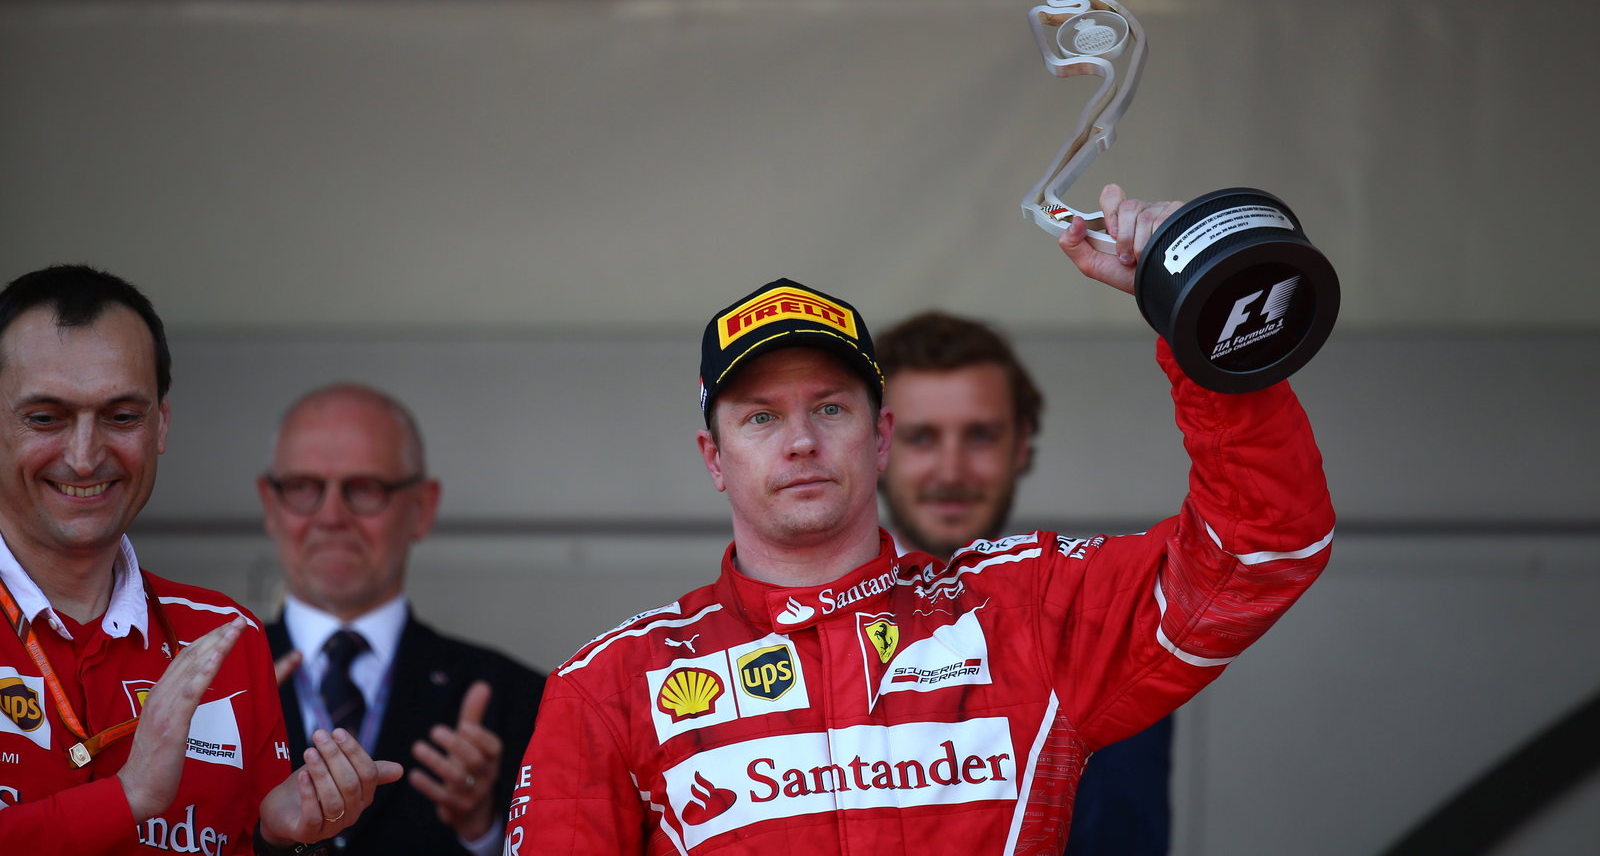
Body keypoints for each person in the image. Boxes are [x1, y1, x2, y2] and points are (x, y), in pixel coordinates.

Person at [506, 184, 1336, 854]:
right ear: (713, 457)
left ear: (881, 436)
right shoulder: (610, 688)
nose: (799, 441)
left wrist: (1204, 300)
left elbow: (1262, 547)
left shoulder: (1025, 613)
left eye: (831, 408)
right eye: (759, 417)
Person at [0, 264, 401, 855]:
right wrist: (127, 796)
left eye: (122, 417)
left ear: (161, 424)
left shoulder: (225, 637)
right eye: (45, 418)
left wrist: (282, 838)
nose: (84, 458)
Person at [876, 311, 1173, 855]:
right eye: (920, 438)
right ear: (875, 448)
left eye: (981, 436)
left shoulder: (1101, 624)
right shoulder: (798, 631)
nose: (952, 469)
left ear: (1021, 446)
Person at [257, 383, 546, 856]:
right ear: (270, 504)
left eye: (365, 489)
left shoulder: (520, 701)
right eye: (304, 488)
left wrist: (485, 830)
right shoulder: (204, 691)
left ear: (422, 508)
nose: (332, 516)